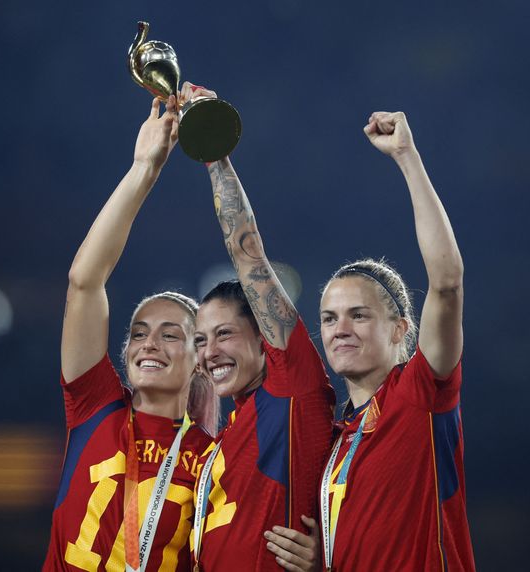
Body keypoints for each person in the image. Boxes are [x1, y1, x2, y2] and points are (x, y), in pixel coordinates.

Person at [42, 95, 218, 572]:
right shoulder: (95, 407)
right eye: (139, 333)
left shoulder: (215, 458)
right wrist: (144, 169)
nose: (149, 344)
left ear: (200, 357)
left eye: (169, 335)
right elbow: (85, 282)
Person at [184, 84, 336, 571]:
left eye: (224, 335)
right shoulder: (225, 435)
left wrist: (213, 155)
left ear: (263, 338)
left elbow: (247, 254)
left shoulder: (290, 392)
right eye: (201, 341)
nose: (209, 353)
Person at [315, 111, 475, 570]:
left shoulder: (420, 395)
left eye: (358, 315)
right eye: (328, 318)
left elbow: (446, 283)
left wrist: (407, 158)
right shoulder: (333, 435)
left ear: (400, 328)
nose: (339, 328)